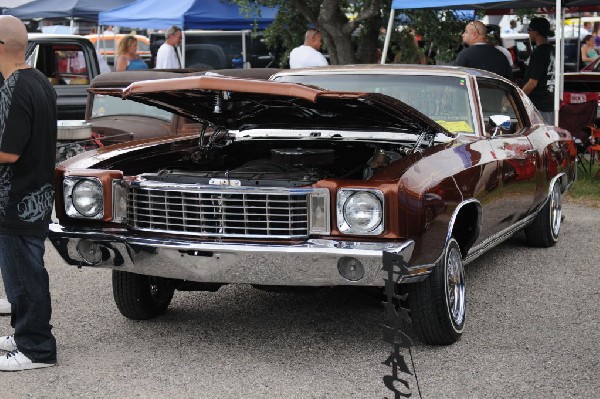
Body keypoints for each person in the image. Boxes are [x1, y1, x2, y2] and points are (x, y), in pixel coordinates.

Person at [0, 15, 58, 371]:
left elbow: (8, 152)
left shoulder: (15, 87)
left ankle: (36, 349)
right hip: (32, 196)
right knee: (22, 272)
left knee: (24, 276)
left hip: (16, 199)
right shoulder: (38, 80)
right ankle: (23, 333)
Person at [522, 17, 555, 125]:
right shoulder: (553, 50)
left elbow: (532, 83)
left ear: (535, 32)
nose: (529, 34)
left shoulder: (538, 53)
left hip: (538, 104)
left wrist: (520, 97)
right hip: (551, 101)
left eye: (529, 30)